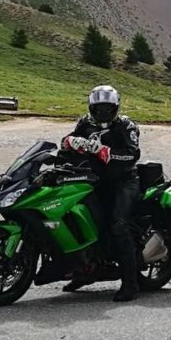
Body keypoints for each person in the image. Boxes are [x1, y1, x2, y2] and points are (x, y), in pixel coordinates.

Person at [60, 85, 142, 302]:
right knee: (79, 218)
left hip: (124, 181)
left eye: (108, 108)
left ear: (116, 108)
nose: (103, 113)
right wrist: (70, 141)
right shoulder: (84, 122)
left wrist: (108, 153)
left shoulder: (126, 125)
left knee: (118, 225)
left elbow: (132, 155)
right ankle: (84, 270)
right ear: (91, 107)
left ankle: (130, 284)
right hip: (95, 180)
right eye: (99, 108)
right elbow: (65, 142)